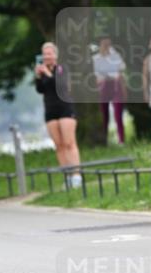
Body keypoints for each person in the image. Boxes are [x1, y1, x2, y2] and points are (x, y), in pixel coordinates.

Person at [35, 41, 82, 187]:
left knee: (69, 143)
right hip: (50, 110)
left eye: (49, 53)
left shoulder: (61, 68)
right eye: (45, 54)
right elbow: (41, 89)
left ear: (55, 55)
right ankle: (67, 176)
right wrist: (38, 76)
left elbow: (61, 85)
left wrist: (48, 73)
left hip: (65, 108)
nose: (47, 56)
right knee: (59, 145)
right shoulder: (42, 71)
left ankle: (76, 175)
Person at [92, 36, 127, 144]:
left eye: (108, 44)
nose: (107, 46)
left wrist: (124, 89)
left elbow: (121, 74)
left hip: (116, 85)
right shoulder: (95, 59)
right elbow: (94, 77)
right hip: (102, 86)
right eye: (104, 44)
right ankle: (105, 140)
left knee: (118, 114)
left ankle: (121, 140)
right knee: (104, 115)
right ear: (100, 45)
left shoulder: (116, 57)